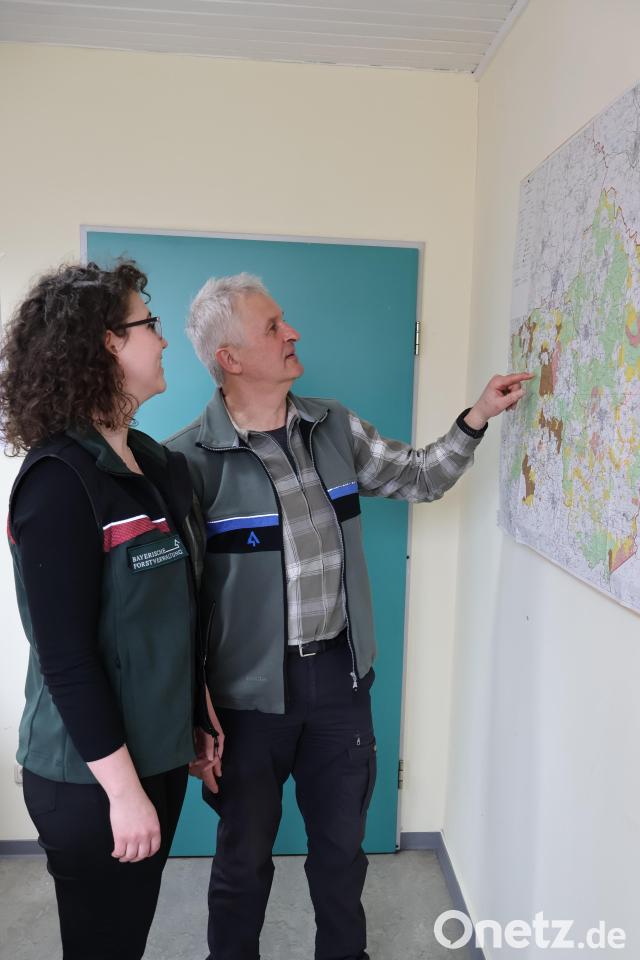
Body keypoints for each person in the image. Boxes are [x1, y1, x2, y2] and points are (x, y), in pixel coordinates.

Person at [167, 273, 532, 960]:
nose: (292, 332)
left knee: (341, 857)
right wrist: (194, 712)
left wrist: (476, 416)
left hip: (339, 682)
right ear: (230, 358)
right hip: (245, 701)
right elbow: (174, 605)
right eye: (273, 326)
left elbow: (419, 475)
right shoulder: (188, 461)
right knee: (242, 863)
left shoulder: (333, 425)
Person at [1, 260, 219, 960]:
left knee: (127, 937)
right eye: (149, 324)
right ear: (106, 344)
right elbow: (66, 659)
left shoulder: (154, 466)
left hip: (158, 756)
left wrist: (196, 714)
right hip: (90, 776)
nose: (164, 339)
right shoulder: (58, 482)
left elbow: (171, 613)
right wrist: (124, 796)